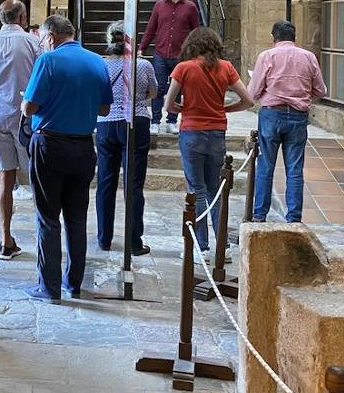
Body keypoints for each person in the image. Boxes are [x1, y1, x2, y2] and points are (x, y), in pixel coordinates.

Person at [21, 14, 112, 302]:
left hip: (50, 144)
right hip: (84, 147)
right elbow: (105, 110)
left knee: (48, 217)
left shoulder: (48, 61)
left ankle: (48, 288)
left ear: (50, 37)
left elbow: (30, 107)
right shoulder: (97, 61)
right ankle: (73, 282)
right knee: (76, 217)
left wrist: (28, 100)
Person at [166, 27, 254, 261]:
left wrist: (181, 108)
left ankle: (202, 246)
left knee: (197, 189)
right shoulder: (226, 67)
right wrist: (225, 109)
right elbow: (248, 100)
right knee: (215, 189)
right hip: (217, 131)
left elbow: (168, 104)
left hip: (192, 131)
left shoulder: (183, 68)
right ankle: (222, 246)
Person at [247, 20, 327, 223]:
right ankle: (294, 217)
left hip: (272, 114)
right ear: (294, 37)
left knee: (265, 166)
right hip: (298, 116)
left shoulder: (267, 56)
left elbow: (253, 92)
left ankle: (259, 214)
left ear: (274, 37)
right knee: (294, 169)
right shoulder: (308, 57)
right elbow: (321, 90)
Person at [0, 0, 42, 260]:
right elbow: (41, 76)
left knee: (4, 180)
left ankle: (5, 239)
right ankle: (43, 238)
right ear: (23, 17)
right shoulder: (31, 42)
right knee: (38, 180)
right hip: (25, 116)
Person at [95, 21, 160, 256]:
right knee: (133, 184)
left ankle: (104, 238)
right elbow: (153, 92)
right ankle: (134, 241)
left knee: (105, 182)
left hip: (105, 124)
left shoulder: (100, 65)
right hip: (136, 122)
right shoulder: (142, 65)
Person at [139, 0, 201, 134]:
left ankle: (172, 120)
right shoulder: (159, 6)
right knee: (158, 87)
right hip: (160, 53)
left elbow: (196, 31)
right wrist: (142, 47)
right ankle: (155, 120)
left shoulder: (190, 7)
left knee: (177, 89)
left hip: (181, 55)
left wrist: (197, 51)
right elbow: (151, 28)